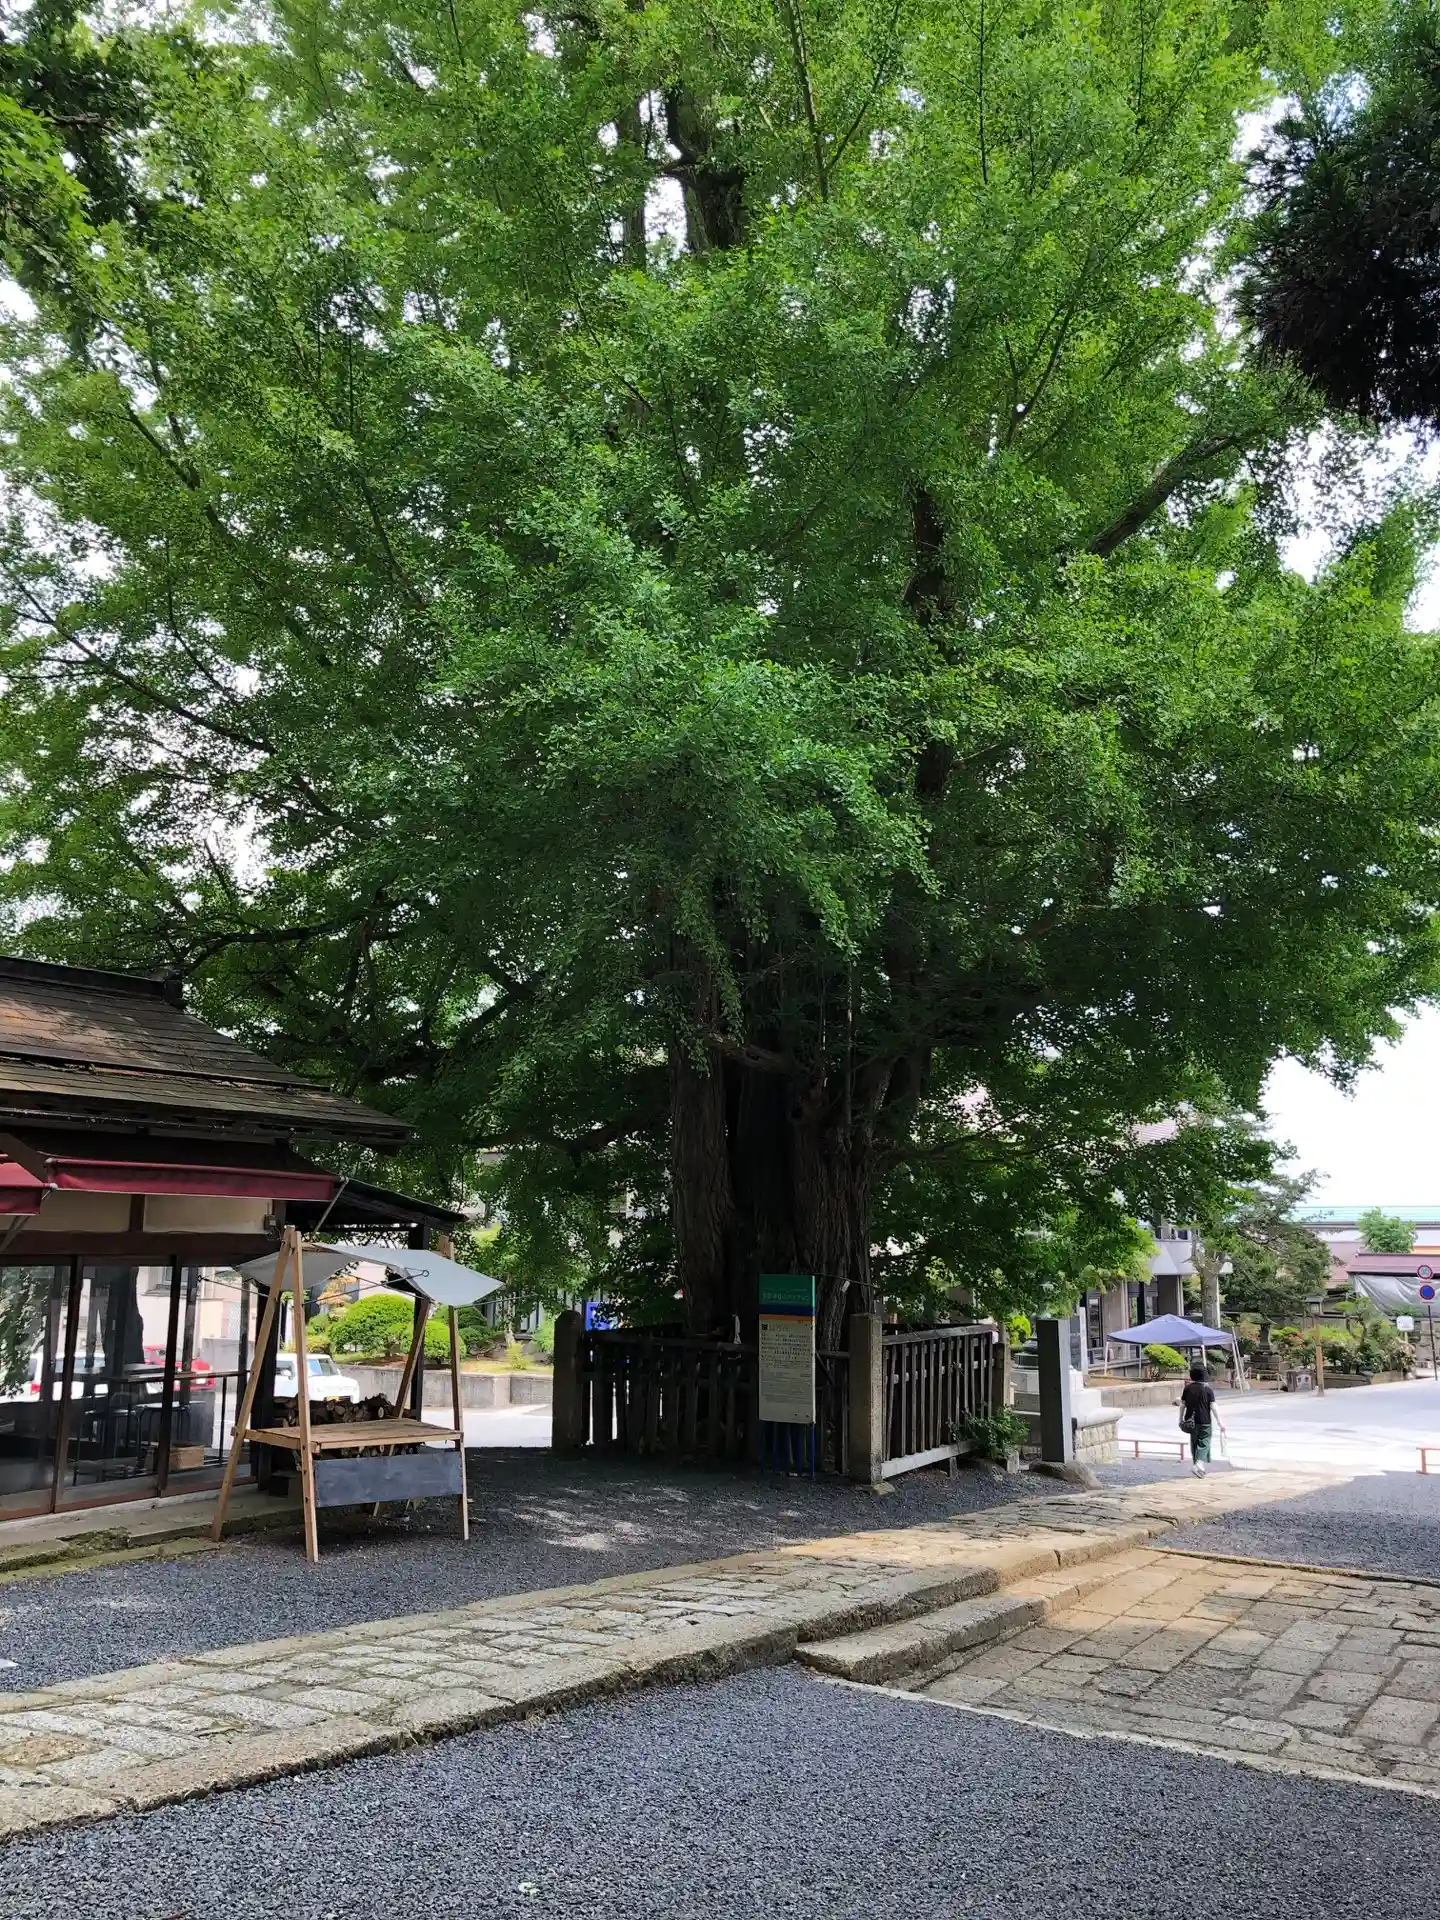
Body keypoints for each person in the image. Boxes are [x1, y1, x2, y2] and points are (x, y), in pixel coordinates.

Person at [1180, 1362, 1223, 1475]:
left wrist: (1180, 1420)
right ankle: (1199, 1464)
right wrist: (1220, 1422)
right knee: (1205, 1442)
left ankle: (1199, 1467)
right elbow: (1213, 1406)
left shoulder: (1187, 1388)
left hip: (1190, 1421)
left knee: (1194, 1443)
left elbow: (1182, 1405)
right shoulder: (1207, 1389)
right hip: (1204, 1421)